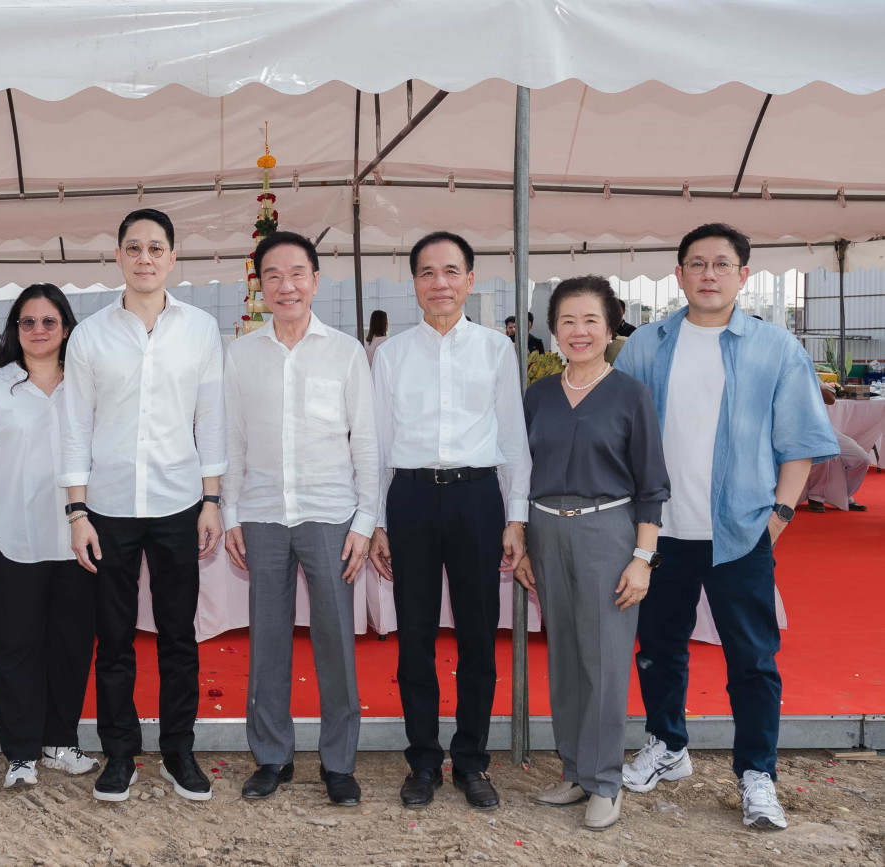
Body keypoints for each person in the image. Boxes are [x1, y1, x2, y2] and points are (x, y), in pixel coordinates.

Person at [615, 223, 838, 831]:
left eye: (720, 264)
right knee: (659, 648)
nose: (707, 274)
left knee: (753, 658)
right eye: (695, 263)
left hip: (740, 532)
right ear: (679, 273)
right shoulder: (645, 346)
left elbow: (800, 442)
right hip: (662, 532)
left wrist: (781, 515)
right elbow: (622, 435)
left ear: (743, 274)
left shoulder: (776, 348)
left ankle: (757, 772)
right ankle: (668, 745)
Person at [59, 208, 226, 803]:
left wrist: (211, 500)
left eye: (157, 247)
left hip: (181, 502)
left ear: (172, 257)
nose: (146, 258)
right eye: (134, 248)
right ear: (119, 258)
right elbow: (75, 427)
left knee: (180, 635)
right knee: (115, 637)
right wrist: (77, 512)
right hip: (108, 507)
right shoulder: (91, 335)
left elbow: (212, 419)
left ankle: (179, 751)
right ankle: (120, 754)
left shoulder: (202, 330)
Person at [370, 231, 531, 811]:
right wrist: (377, 520)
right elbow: (377, 443)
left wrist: (515, 519)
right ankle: (422, 761)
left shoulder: (495, 349)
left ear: (469, 279)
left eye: (451, 271)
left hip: (477, 498)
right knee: (413, 635)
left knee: (477, 636)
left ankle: (471, 761)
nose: (440, 283)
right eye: (428, 272)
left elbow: (512, 437)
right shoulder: (389, 355)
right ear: (413, 282)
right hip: (410, 500)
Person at [224, 232, 378, 807]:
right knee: (266, 640)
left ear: (315, 279)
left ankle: (338, 763)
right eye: (272, 275)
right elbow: (233, 443)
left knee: (336, 640)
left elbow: (365, 442)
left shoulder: (344, 352)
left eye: (296, 274)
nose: (285, 286)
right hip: (262, 515)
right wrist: (232, 512)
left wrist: (364, 521)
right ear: (259, 285)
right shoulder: (240, 356)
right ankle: (272, 756)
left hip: (331, 516)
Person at [511, 276, 670, 831]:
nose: (578, 332)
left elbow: (652, 484)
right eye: (567, 322)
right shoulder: (537, 395)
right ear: (553, 330)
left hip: (609, 534)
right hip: (546, 531)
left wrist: (642, 558)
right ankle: (576, 770)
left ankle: (606, 779)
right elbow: (522, 472)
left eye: (590, 321)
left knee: (603, 660)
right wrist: (525, 541)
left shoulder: (631, 394)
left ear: (610, 326)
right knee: (565, 659)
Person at [0, 284, 99, 790]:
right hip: (9, 540)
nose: (39, 331)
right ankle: (19, 752)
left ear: (66, 327)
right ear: (15, 330)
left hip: (78, 542)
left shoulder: (88, 386)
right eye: (28, 322)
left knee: (72, 645)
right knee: (12, 649)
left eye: (49, 321)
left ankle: (60, 741)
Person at [804, 383, 870, 513]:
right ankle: (816, 497)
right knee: (823, 452)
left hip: (822, 427)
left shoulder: (809, 375)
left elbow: (831, 399)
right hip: (793, 430)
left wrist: (807, 380)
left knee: (862, 458)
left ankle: (843, 495)